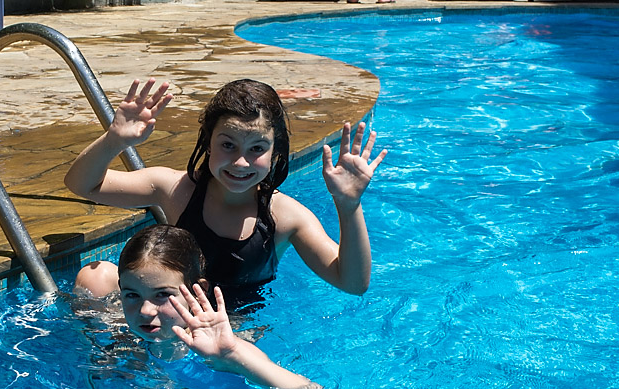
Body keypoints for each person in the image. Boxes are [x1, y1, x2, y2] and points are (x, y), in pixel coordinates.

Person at [64, 78, 387, 300]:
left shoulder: (286, 217)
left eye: (257, 148)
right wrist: (114, 141)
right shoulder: (176, 189)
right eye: (228, 145)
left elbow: (352, 283)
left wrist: (349, 206)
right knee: (95, 277)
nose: (241, 162)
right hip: (166, 308)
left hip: (232, 329)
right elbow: (82, 185)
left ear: (275, 153)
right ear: (208, 142)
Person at [115, 224, 326, 389]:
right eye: (132, 295)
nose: (146, 311)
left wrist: (231, 353)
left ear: (198, 292)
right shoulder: (126, 341)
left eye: (162, 294)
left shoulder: (223, 343)